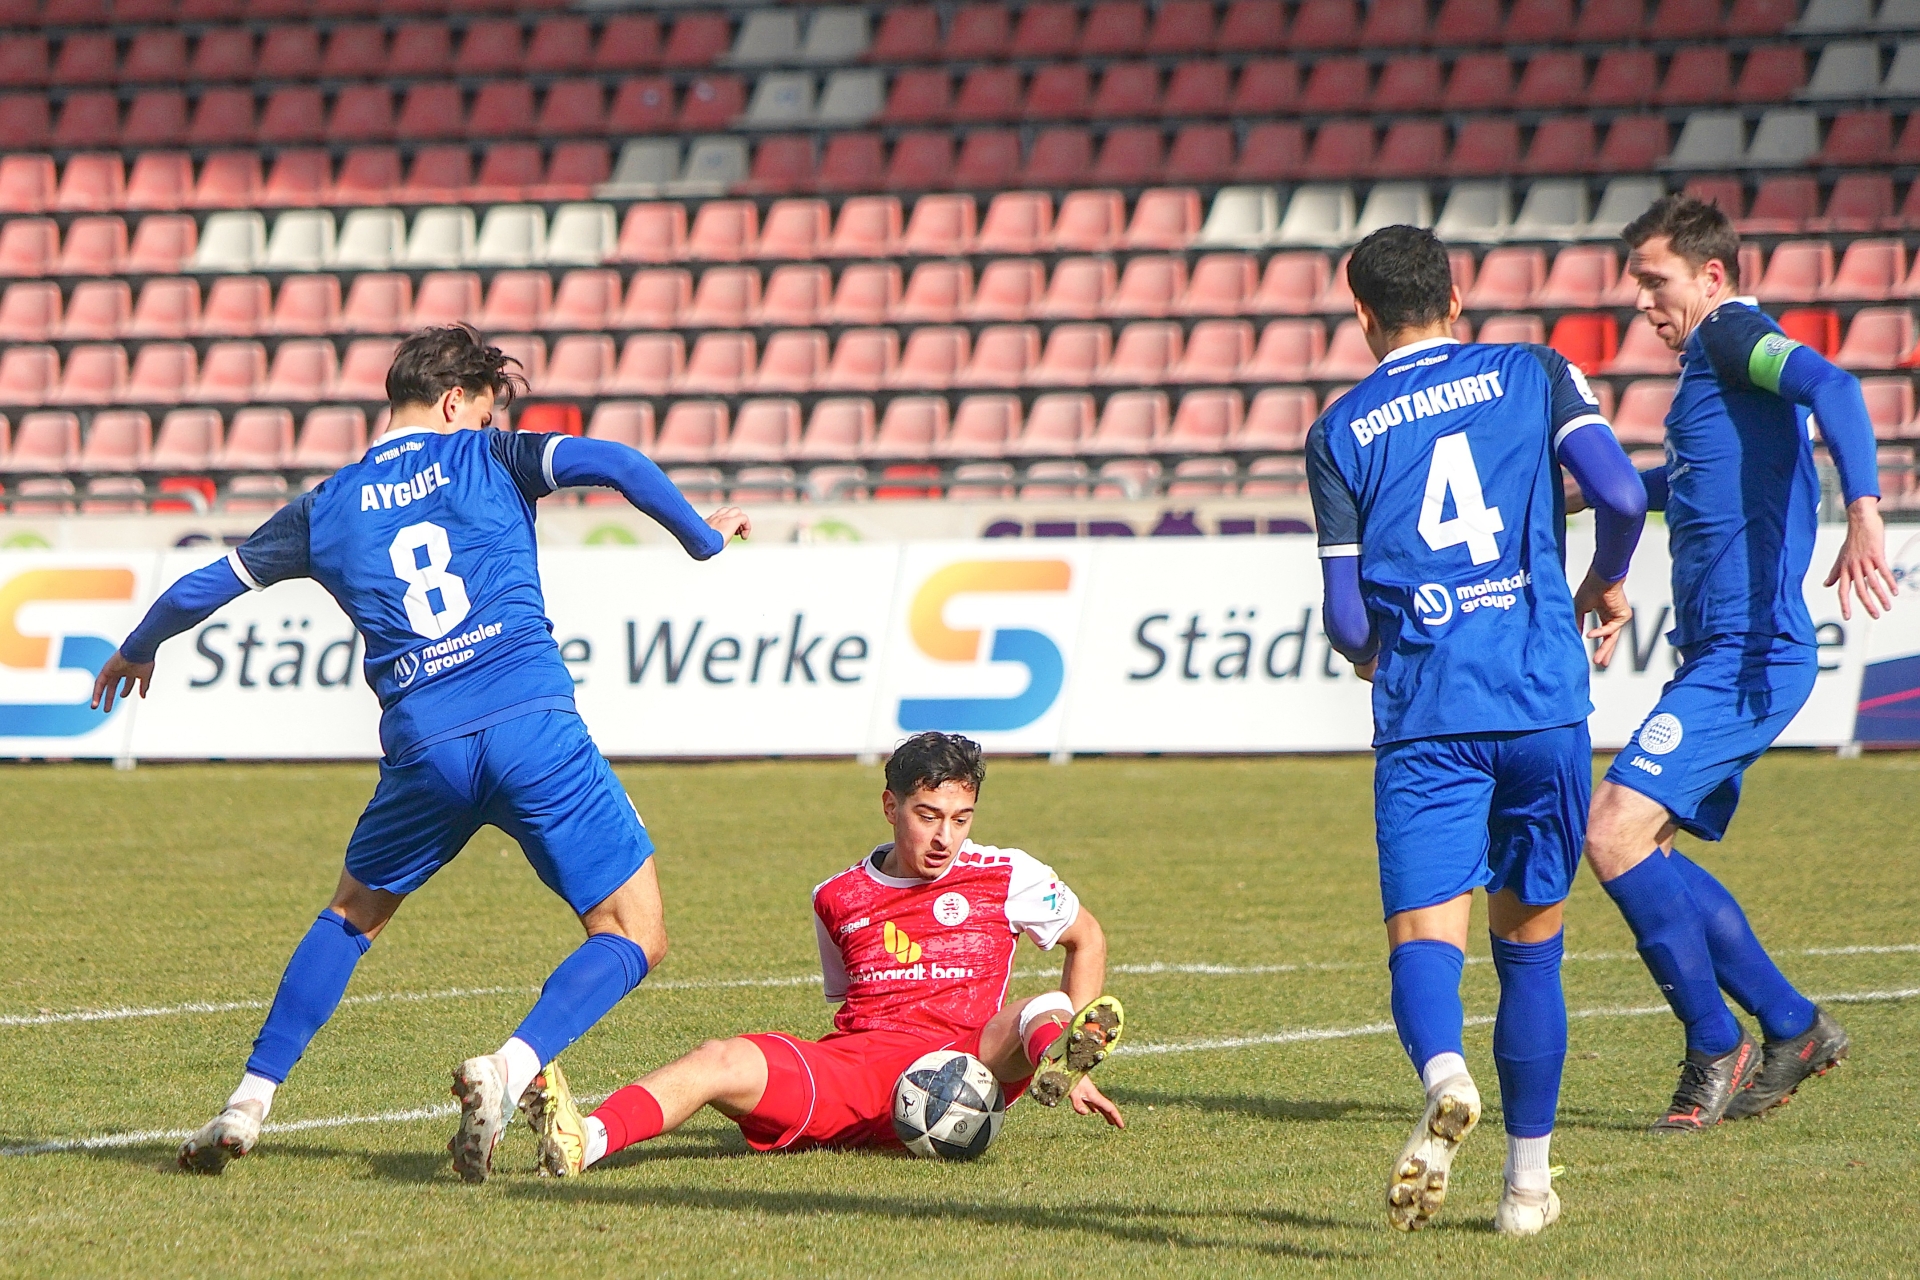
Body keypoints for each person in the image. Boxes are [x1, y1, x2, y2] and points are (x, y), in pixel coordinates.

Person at [90, 324, 752, 1181]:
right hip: (531, 728)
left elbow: (198, 587)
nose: (483, 424)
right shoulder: (495, 458)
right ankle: (510, 1070)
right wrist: (702, 537)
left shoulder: (325, 507)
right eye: (480, 411)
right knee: (636, 932)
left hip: (423, 748)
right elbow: (620, 463)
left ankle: (248, 1102)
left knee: (350, 916)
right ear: (453, 403)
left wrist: (138, 647)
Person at [1305, 226, 1648, 1236]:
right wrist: (1607, 575)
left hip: (1430, 713)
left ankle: (1446, 1071)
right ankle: (1527, 1190)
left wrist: (1383, 655)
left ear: (1363, 318)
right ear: (1457, 301)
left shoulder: (1340, 429)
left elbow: (1345, 619)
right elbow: (1623, 493)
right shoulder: (1537, 370)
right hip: (1543, 698)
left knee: (1426, 938)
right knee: (1531, 951)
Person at [1584, 195, 1897, 1132]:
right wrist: (1577, 499)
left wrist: (1868, 509)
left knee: (1610, 830)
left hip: (1752, 650)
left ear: (1710, 276)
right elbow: (1674, 488)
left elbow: (1834, 387)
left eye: (1655, 280)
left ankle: (1713, 1042)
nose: (1642, 300)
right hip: (1715, 653)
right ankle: (1795, 1026)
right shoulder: (1705, 380)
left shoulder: (1732, 335)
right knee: (1649, 848)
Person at [519, 731, 1125, 1174]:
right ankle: (585, 1140)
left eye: (961, 820)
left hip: (971, 1068)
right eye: (928, 816)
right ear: (891, 807)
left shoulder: (1007, 873)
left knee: (1040, 1006)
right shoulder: (838, 897)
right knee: (719, 1058)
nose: (945, 837)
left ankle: (1062, 1060)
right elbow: (847, 1002)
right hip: (858, 1076)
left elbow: (1086, 937)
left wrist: (1070, 1053)